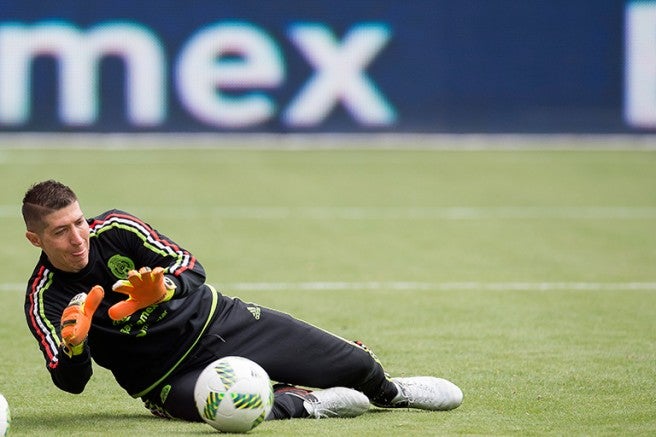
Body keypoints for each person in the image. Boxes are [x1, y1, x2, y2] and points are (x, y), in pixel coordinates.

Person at [22, 180, 463, 423]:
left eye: (79, 222)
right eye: (61, 231)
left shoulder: (117, 229)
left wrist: (166, 289)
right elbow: (70, 383)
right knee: (230, 414)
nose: (78, 237)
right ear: (35, 239)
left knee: (358, 368)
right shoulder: (45, 298)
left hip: (224, 322)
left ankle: (393, 391)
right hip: (166, 378)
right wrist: (75, 346)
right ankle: (307, 402)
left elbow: (190, 267)